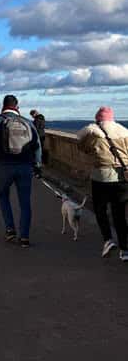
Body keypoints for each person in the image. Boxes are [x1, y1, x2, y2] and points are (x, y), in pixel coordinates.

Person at [0, 94, 42, 247]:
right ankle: (24, 236)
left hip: (4, 165)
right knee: (25, 202)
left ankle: (10, 229)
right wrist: (37, 165)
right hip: (25, 166)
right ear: (17, 107)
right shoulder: (27, 122)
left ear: (3, 106)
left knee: (3, 196)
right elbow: (37, 145)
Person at [77, 107, 128, 261]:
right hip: (122, 178)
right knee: (119, 213)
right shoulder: (124, 131)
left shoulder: (94, 132)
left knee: (100, 209)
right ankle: (124, 249)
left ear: (98, 119)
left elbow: (82, 146)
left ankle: (108, 239)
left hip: (101, 177)